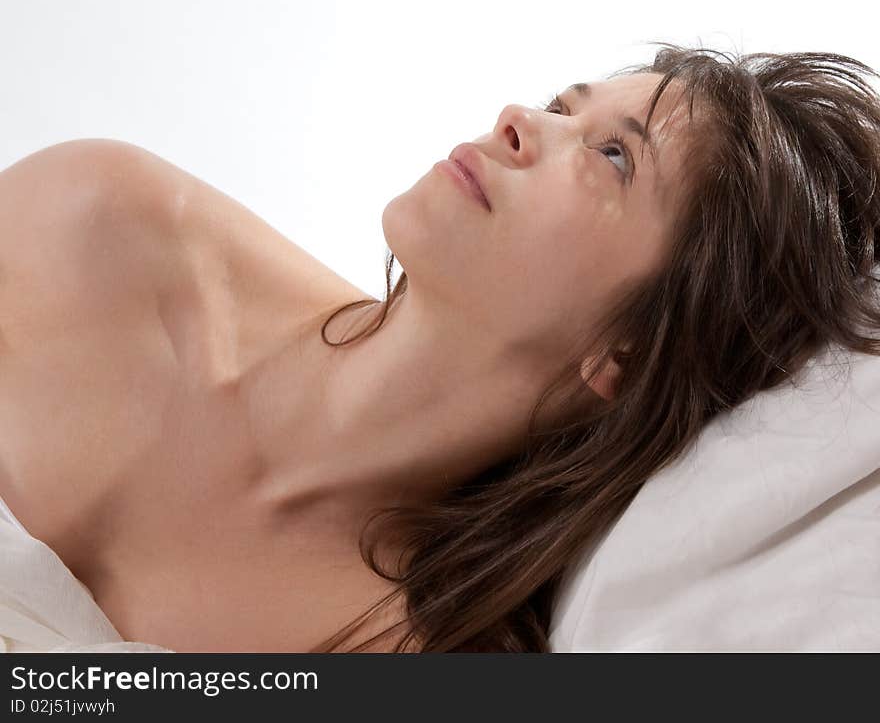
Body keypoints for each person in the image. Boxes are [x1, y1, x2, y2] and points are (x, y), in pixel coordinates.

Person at [1, 42, 879, 653]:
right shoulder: (99, 228)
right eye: (564, 108)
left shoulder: (412, 655)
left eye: (612, 156)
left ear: (633, 352)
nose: (516, 120)